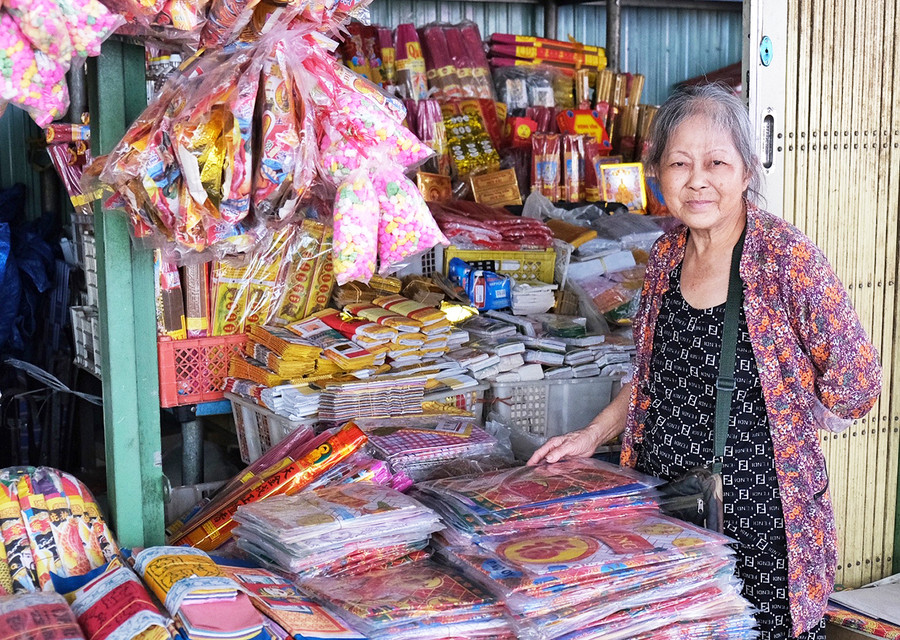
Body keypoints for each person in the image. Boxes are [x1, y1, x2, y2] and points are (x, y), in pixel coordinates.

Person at [528, 83, 882, 640]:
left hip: (759, 517)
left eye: (716, 161)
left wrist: (791, 410)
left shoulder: (784, 257)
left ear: (746, 171)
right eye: (679, 163)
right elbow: (654, 373)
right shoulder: (666, 253)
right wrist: (593, 434)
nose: (697, 179)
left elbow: (856, 382)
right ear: (657, 173)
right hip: (662, 501)